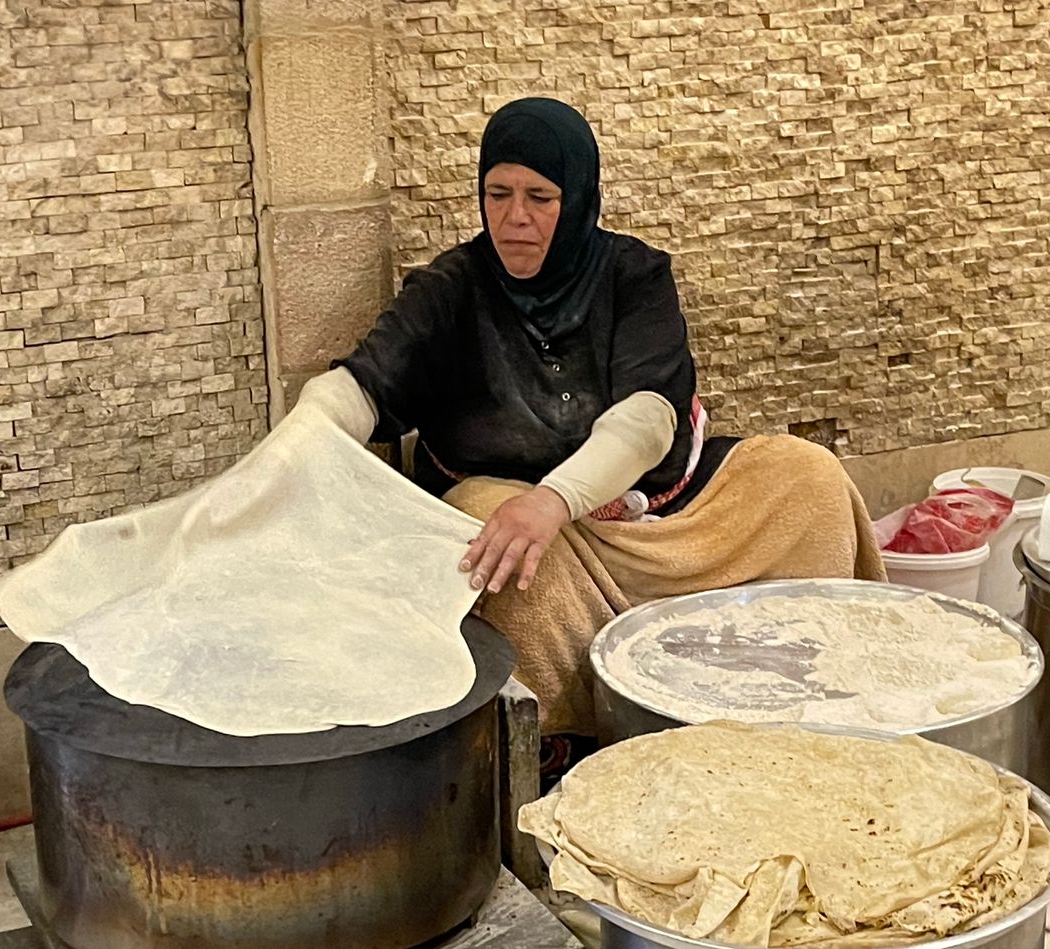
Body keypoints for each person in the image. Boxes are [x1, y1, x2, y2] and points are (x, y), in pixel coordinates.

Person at [298, 97, 885, 776]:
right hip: (540, 540)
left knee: (806, 478)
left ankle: (789, 690)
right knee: (493, 542)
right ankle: (570, 742)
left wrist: (556, 499)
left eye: (540, 198)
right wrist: (299, 440)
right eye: (498, 194)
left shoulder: (634, 276)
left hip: (651, 517)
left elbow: (648, 418)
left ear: (576, 200)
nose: (515, 217)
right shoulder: (449, 290)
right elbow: (362, 387)